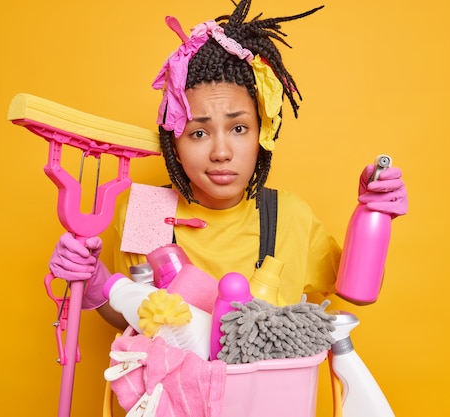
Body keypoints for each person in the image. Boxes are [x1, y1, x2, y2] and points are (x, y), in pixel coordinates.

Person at [48, 0, 408, 331]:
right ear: (173, 141)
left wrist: (375, 215)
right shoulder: (146, 211)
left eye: (238, 128)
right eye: (198, 133)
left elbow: (358, 288)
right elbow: (136, 317)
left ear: (262, 132)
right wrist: (94, 286)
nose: (221, 152)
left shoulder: (291, 217)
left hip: (272, 400)